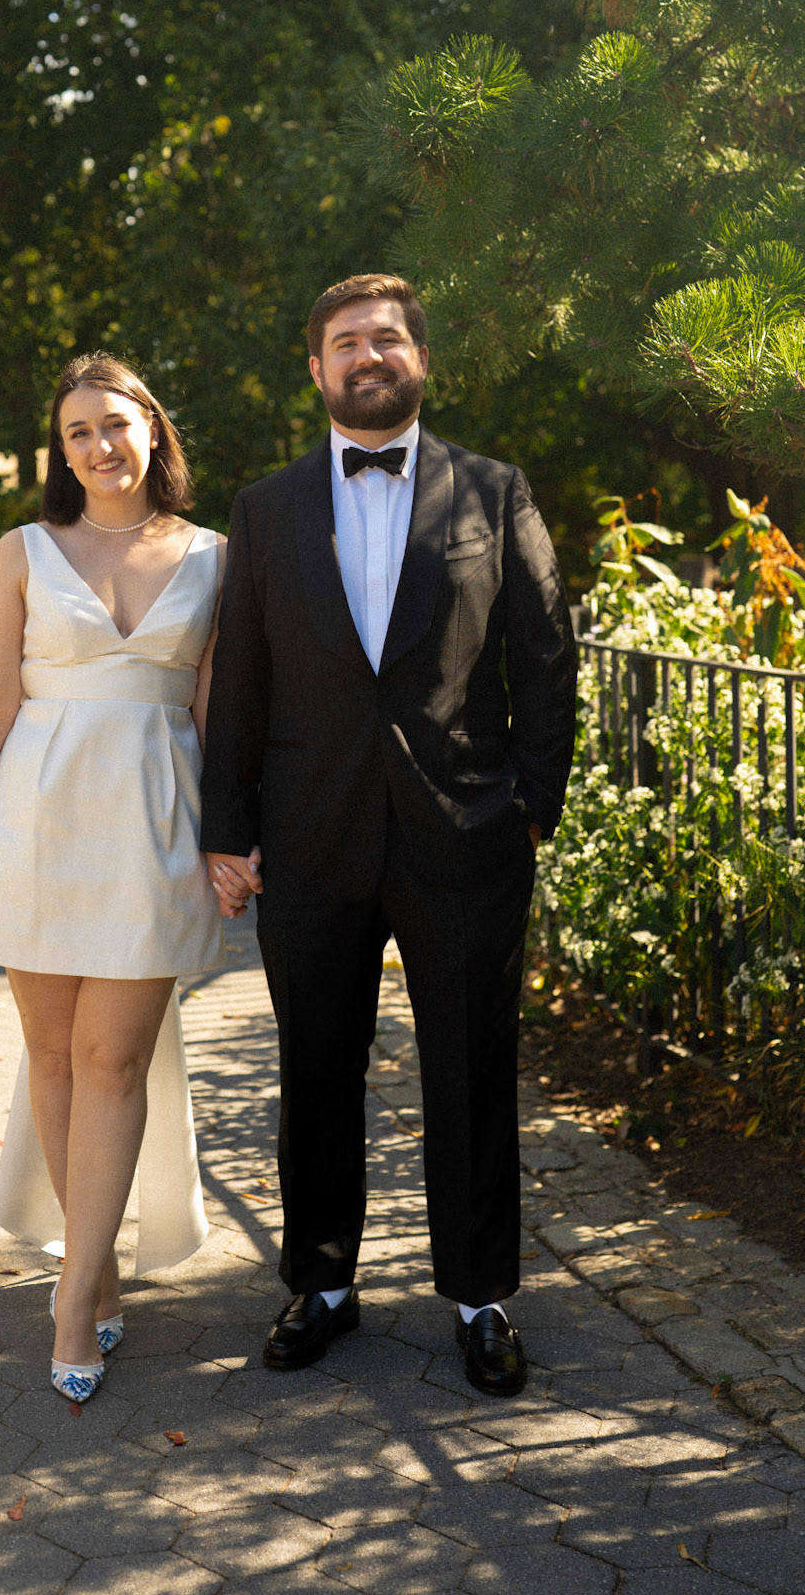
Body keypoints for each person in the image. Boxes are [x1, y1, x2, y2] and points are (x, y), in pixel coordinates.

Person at [201, 274, 576, 1395]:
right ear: (315, 368)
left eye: (387, 337)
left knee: (472, 1069)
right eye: (345, 341)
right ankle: (318, 1282)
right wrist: (227, 825)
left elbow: (546, 652)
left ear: (420, 357)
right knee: (316, 1065)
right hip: (310, 836)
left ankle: (480, 1294)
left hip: (465, 831)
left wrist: (533, 802)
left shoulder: (493, 489)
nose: (368, 354)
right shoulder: (263, 509)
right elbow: (243, 683)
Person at [0, 354, 226, 1404]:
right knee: (53, 1052)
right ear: (63, 450)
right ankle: (88, 1280)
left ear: (153, 431)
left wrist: (233, 839)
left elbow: (219, 719)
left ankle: (75, 1290)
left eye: (116, 423)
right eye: (77, 431)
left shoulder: (217, 556)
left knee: (115, 1056)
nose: (98, 444)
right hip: (34, 825)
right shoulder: (20, 550)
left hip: (156, 824)